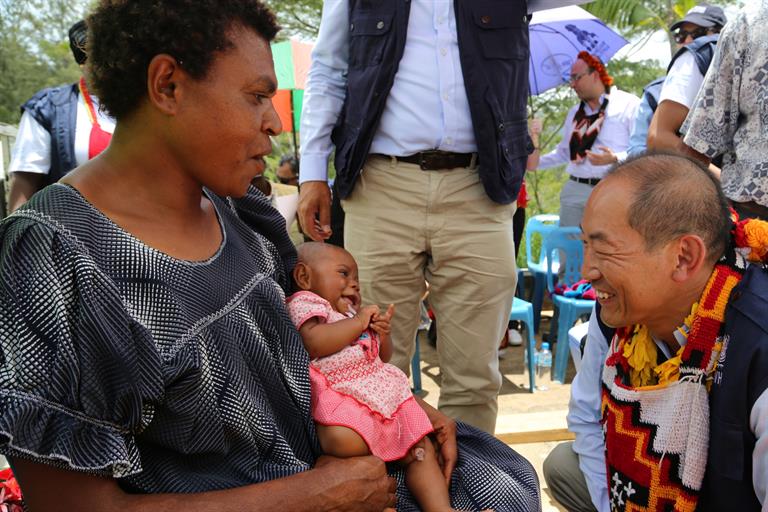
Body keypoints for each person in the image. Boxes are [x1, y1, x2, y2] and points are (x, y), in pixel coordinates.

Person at [0, 2, 541, 511]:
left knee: (502, 482)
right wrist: (310, 498)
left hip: (334, 463)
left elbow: (310, 347)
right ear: (168, 85)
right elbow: (70, 504)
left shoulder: (240, 210)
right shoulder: (54, 256)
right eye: (257, 97)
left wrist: (396, 408)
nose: (276, 124)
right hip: (286, 494)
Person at [297, 1, 531, 434]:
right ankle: (390, 492)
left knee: (476, 379)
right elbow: (329, 70)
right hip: (381, 185)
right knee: (367, 362)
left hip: (480, 189)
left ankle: (467, 490)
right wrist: (312, 173)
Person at [542, 153, 768, 512]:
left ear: (683, 257)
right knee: (563, 465)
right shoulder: (617, 316)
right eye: (585, 244)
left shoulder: (757, 344)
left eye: (604, 248)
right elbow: (586, 418)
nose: (587, 271)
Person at [288, 242, 463, 512]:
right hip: (344, 413)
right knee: (355, 472)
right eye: (344, 274)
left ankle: (441, 509)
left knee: (420, 448)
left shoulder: (347, 315)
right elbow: (313, 343)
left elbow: (382, 358)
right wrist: (358, 323)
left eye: (357, 278)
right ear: (304, 277)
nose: (355, 284)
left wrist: (381, 334)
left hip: (380, 406)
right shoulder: (307, 303)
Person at [6, 19, 115, 213]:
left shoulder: (146, 102)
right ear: (83, 62)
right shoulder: (48, 108)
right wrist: (17, 238)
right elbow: (25, 181)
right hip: (73, 232)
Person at [532, 51, 640, 228]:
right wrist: (532, 163)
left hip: (612, 187)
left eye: (577, 78)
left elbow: (642, 149)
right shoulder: (575, 113)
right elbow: (563, 153)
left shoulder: (628, 104)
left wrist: (615, 158)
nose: (572, 85)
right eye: (570, 80)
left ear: (595, 75)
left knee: (607, 246)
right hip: (575, 188)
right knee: (568, 248)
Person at [682, 2, 768, 220]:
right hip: (756, 222)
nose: (689, 38)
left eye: (697, 32)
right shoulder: (748, 24)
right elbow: (699, 143)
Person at [646, 4, 726, 152]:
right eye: (681, 35)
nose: (688, 41)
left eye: (698, 34)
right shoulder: (694, 57)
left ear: (721, 32)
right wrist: (720, 175)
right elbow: (658, 137)